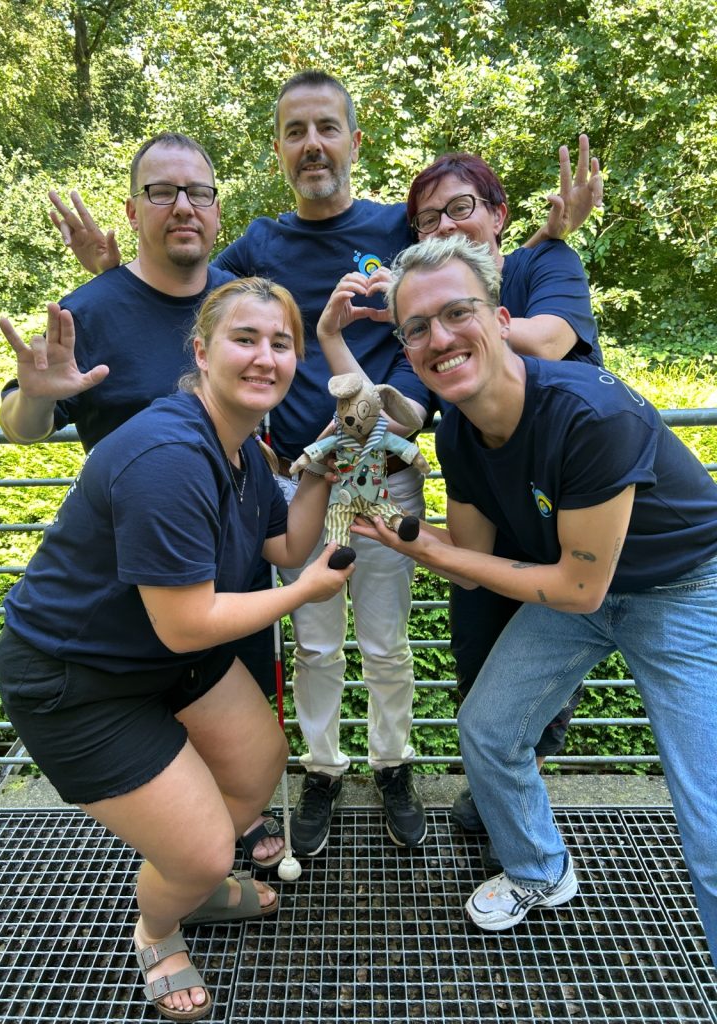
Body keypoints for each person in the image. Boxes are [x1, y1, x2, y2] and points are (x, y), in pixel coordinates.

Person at [44, 71, 602, 858]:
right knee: (310, 639)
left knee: (386, 640)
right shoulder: (260, 243)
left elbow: (473, 273)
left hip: (389, 469)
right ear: (278, 148)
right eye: (296, 132)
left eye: (327, 128)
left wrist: (550, 239)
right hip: (300, 481)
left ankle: (394, 763)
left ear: (352, 140)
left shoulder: (396, 230)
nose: (313, 145)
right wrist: (113, 266)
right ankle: (321, 767)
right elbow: (183, 282)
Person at [0, 277, 355, 1020]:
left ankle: (193, 882)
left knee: (257, 769)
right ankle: (159, 926)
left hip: (156, 656)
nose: (266, 356)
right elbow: (189, 623)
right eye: (244, 339)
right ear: (201, 351)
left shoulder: (240, 448)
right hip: (73, 679)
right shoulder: (167, 453)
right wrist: (306, 591)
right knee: (196, 851)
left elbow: (284, 541)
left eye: (280, 343)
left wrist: (318, 469)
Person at [352, 233, 717, 966]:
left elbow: (579, 590)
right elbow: (472, 568)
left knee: (711, 822)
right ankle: (539, 870)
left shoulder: (589, 415)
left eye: (457, 313)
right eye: (416, 328)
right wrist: (406, 528)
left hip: (684, 589)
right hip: (575, 585)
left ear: (500, 318)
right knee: (487, 728)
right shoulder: (456, 433)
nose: (439, 338)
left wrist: (431, 549)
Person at [0, 132, 284, 871]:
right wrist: (34, 398)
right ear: (133, 209)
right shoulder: (90, 310)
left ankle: (212, 848)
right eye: (162, 191)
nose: (183, 205)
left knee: (247, 751)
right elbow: (22, 428)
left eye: (199, 192)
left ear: (219, 210)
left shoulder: (237, 308)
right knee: (161, 777)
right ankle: (185, 863)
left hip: (232, 579)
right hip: (124, 595)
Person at [405, 151, 602, 854]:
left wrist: (455, 320)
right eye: (427, 221)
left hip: (570, 512)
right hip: (484, 497)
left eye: (461, 207)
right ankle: (495, 780)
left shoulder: (543, 265)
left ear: (498, 214)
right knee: (478, 663)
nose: (445, 227)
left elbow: (550, 339)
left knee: (542, 683)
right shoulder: (422, 301)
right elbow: (412, 403)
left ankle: (514, 802)